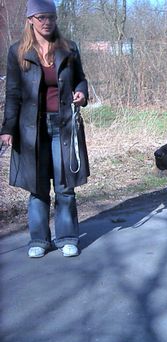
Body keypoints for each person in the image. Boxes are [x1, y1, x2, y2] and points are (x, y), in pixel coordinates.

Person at [0, 0, 89, 258]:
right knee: (37, 187)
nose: (47, 22)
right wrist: (7, 129)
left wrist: (81, 92)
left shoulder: (69, 48)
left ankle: (67, 237)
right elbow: (14, 93)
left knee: (64, 186)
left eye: (51, 16)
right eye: (41, 17)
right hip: (31, 130)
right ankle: (39, 240)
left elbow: (81, 78)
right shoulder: (18, 51)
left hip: (64, 125)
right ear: (30, 20)